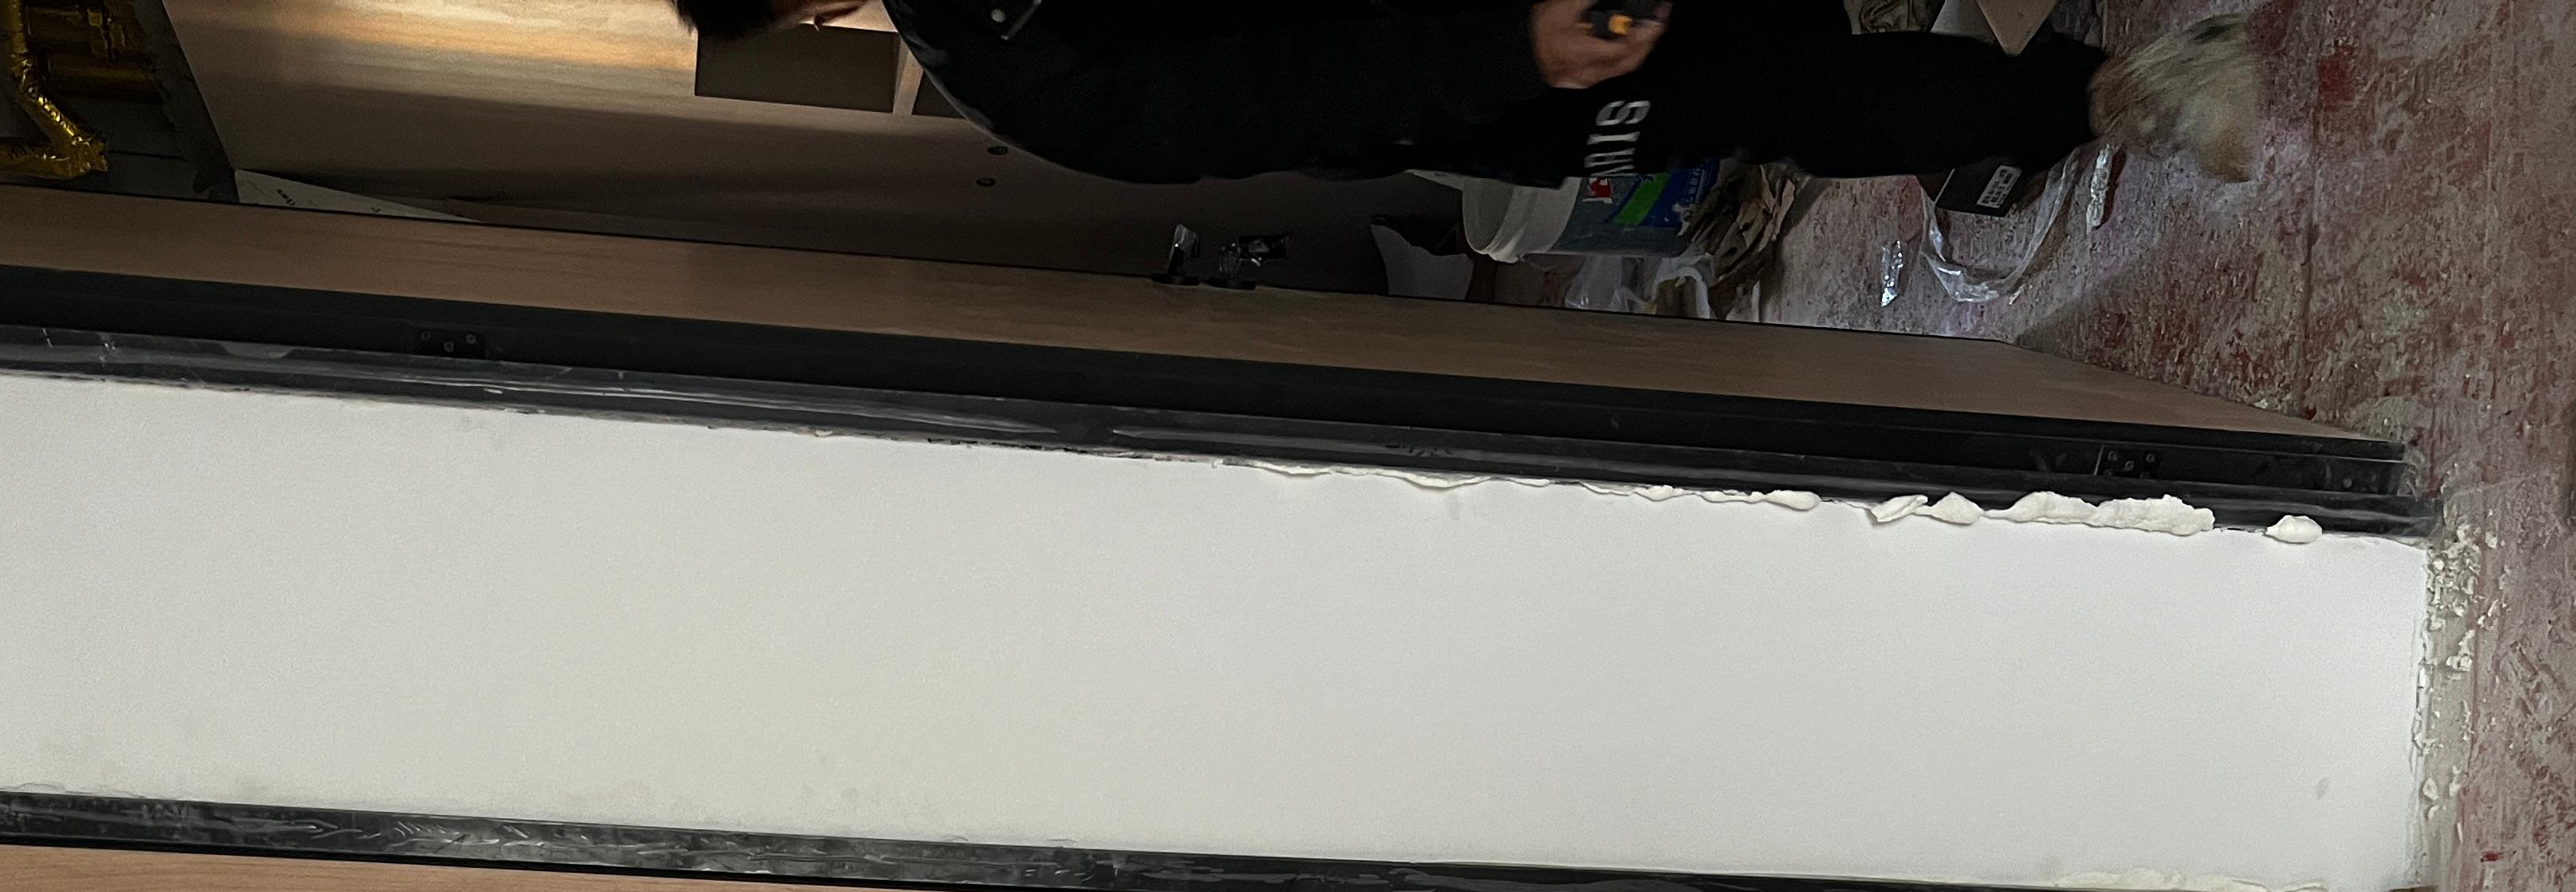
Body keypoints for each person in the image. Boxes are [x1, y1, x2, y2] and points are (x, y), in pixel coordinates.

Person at [667, 1, 2262, 194]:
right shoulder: (1032, 74)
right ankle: (2110, 98)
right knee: (1769, 89)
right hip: (1496, 53)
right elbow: (1277, 94)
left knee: (1776, 51)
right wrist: (1507, 54)